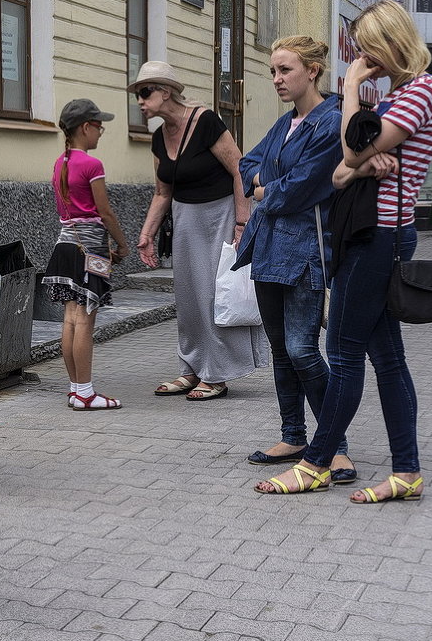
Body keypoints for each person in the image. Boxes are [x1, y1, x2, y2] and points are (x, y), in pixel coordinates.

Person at [255, 0, 432, 503]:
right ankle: (406, 472)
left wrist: (349, 93)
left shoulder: (421, 90)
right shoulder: (393, 99)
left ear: (390, 42)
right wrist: (361, 160)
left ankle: (316, 462)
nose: (360, 57)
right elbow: (343, 171)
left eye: (365, 47)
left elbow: (348, 151)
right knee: (386, 357)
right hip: (367, 236)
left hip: (378, 237)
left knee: (342, 354)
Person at [234, 36, 357, 484]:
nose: (277, 79)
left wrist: (268, 187)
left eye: (285, 70)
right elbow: (248, 164)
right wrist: (265, 183)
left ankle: (335, 446)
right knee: (282, 350)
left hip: (306, 250)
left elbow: (299, 189)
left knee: (304, 348)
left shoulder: (329, 122)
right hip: (267, 247)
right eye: (273, 71)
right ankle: (293, 434)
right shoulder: (286, 123)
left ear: (312, 71)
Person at [131, 61, 267, 401]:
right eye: (137, 94)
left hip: (220, 214)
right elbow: (162, 192)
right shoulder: (158, 138)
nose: (140, 100)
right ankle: (190, 369)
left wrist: (242, 220)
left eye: (145, 93)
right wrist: (147, 234)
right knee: (188, 297)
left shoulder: (205, 121)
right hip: (185, 218)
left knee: (213, 294)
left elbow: (240, 169)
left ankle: (217, 373)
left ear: (166, 92)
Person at [41, 99, 131, 410]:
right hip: (88, 249)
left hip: (65, 246)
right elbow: (104, 212)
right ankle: (86, 393)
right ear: (85, 127)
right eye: (99, 126)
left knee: (70, 319)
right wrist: (122, 244)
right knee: (84, 322)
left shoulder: (59, 163)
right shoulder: (92, 165)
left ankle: (76, 388)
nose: (101, 133)